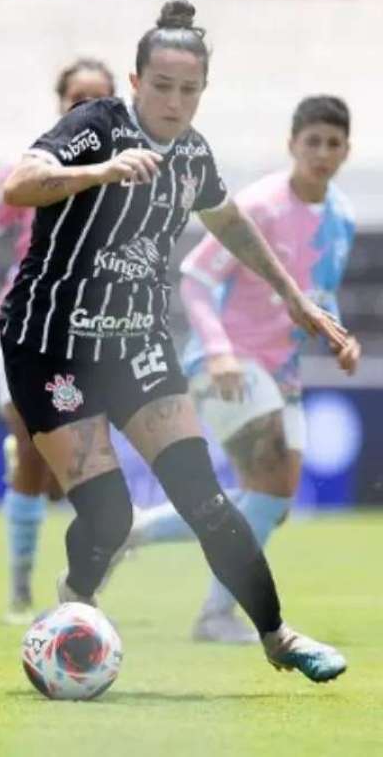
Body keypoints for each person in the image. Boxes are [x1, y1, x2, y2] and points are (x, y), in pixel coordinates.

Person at [0, 0, 352, 683]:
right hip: (51, 347)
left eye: (189, 90)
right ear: (134, 83)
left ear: (203, 92)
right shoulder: (94, 126)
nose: (174, 101)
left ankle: (277, 637)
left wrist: (293, 295)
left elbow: (230, 223)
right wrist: (95, 173)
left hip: (137, 347)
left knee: (206, 498)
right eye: (161, 86)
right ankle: (74, 603)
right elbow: (19, 184)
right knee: (107, 512)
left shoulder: (192, 155)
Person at [123, 95, 358, 644]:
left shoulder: (342, 216)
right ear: (292, 145)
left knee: (270, 503)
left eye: (333, 143)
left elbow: (319, 293)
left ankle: (136, 531)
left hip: (283, 372)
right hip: (226, 361)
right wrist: (220, 349)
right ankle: (217, 616)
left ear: (348, 149)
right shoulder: (261, 205)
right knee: (273, 482)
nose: (322, 153)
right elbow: (196, 276)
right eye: (313, 142)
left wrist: (340, 337)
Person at [0, 58, 116, 624]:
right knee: (34, 447)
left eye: (96, 99)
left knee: (64, 473)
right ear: (59, 103)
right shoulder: (35, 167)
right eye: (76, 98)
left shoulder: (125, 179)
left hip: (88, 337)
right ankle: (21, 593)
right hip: (23, 326)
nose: (84, 108)